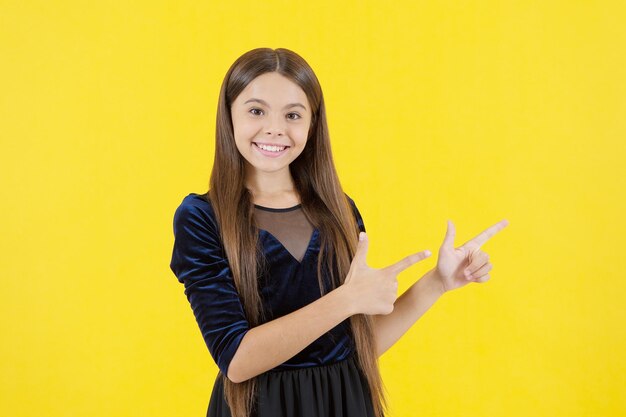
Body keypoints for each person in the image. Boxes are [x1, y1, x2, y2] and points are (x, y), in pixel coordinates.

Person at [169, 47, 509, 417]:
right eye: (256, 110)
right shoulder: (202, 217)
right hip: (259, 408)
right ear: (229, 116)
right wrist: (346, 300)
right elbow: (236, 359)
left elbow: (357, 346)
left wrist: (438, 282)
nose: (275, 128)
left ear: (312, 124)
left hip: (344, 401)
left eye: (293, 115)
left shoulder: (338, 210)